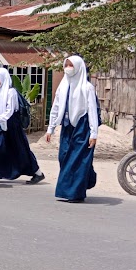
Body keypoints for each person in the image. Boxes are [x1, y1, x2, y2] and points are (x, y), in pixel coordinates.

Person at [46, 55, 99, 203]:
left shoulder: (87, 87)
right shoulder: (63, 86)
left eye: (71, 65)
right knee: (64, 157)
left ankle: (74, 193)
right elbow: (56, 107)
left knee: (76, 160)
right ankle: (87, 177)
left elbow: (92, 111)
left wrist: (94, 133)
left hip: (83, 127)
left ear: (78, 67)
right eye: (66, 65)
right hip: (67, 127)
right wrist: (50, 128)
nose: (68, 68)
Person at [0, 68, 45, 184]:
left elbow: (9, 111)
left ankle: (38, 173)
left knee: (20, 150)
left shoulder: (10, 92)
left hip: (11, 125)